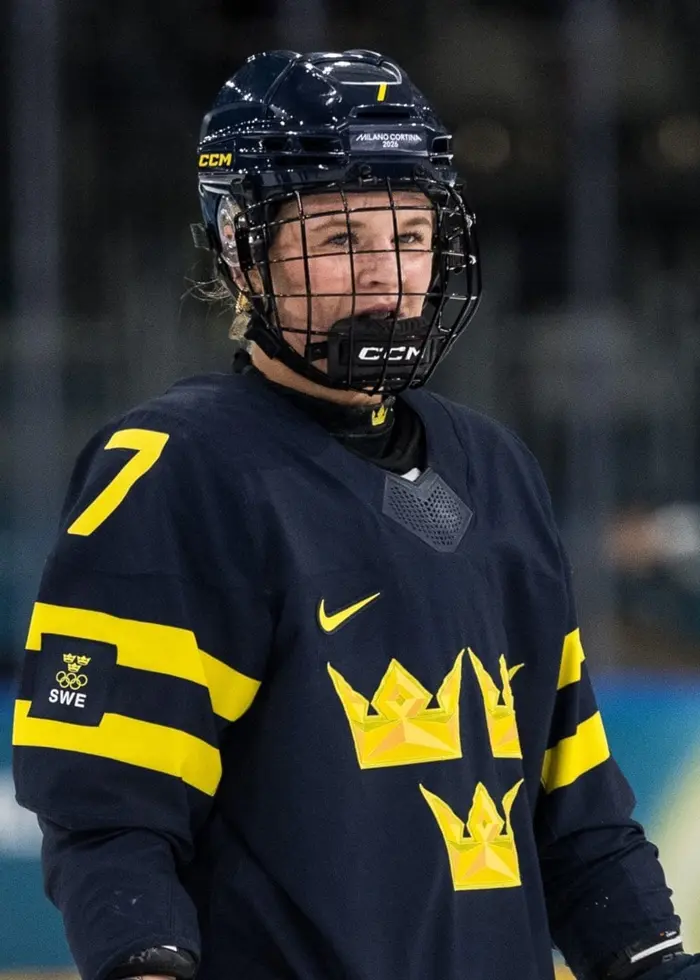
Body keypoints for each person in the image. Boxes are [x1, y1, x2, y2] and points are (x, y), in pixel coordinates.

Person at [11, 49, 699, 980]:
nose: (386, 277)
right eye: (339, 242)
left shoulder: (496, 469)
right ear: (240, 252)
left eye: (410, 237)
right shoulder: (179, 472)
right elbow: (112, 811)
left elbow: (576, 812)